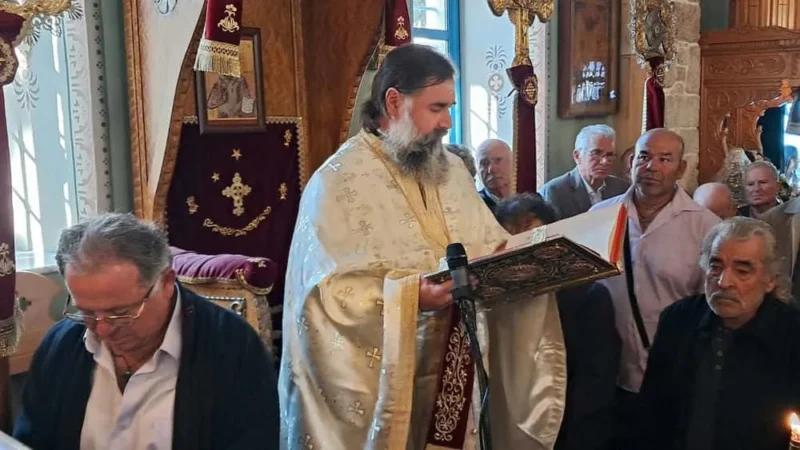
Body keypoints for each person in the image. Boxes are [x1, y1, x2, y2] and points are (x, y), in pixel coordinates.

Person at [280, 44, 566, 450]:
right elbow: (321, 295)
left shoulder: (450, 169)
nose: (447, 122)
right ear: (394, 102)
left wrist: (524, 259)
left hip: (459, 371)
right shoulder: (337, 182)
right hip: (394, 384)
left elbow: (489, 242)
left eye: (450, 108)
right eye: (436, 108)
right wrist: (410, 297)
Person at [13, 213, 279, 449]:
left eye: (121, 312)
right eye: (87, 312)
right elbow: (31, 440)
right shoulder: (60, 346)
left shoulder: (233, 348)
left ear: (166, 282)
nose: (102, 330)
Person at [590, 128, 720, 449]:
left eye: (665, 159)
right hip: (605, 375)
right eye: (644, 157)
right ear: (631, 162)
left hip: (672, 377)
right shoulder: (600, 217)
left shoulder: (706, 227)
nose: (652, 167)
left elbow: (710, 308)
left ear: (681, 167)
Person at [637, 218, 800, 450]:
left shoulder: (791, 333)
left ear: (770, 280)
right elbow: (650, 410)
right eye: (715, 267)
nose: (724, 282)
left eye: (742, 271)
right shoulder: (678, 319)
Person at [495, 193, 621, 450]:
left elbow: (595, 384)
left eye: (532, 239)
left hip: (569, 431)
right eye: (513, 240)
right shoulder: (493, 301)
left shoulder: (588, 295)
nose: (523, 254)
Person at [540, 124, 629, 220]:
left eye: (609, 155)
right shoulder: (554, 192)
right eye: (596, 153)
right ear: (577, 156)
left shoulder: (622, 189)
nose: (605, 161)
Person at [476, 138, 512, 214]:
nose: (492, 169)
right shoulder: (472, 205)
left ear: (513, 163)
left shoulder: (531, 202)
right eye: (484, 163)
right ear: (477, 171)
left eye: (498, 160)